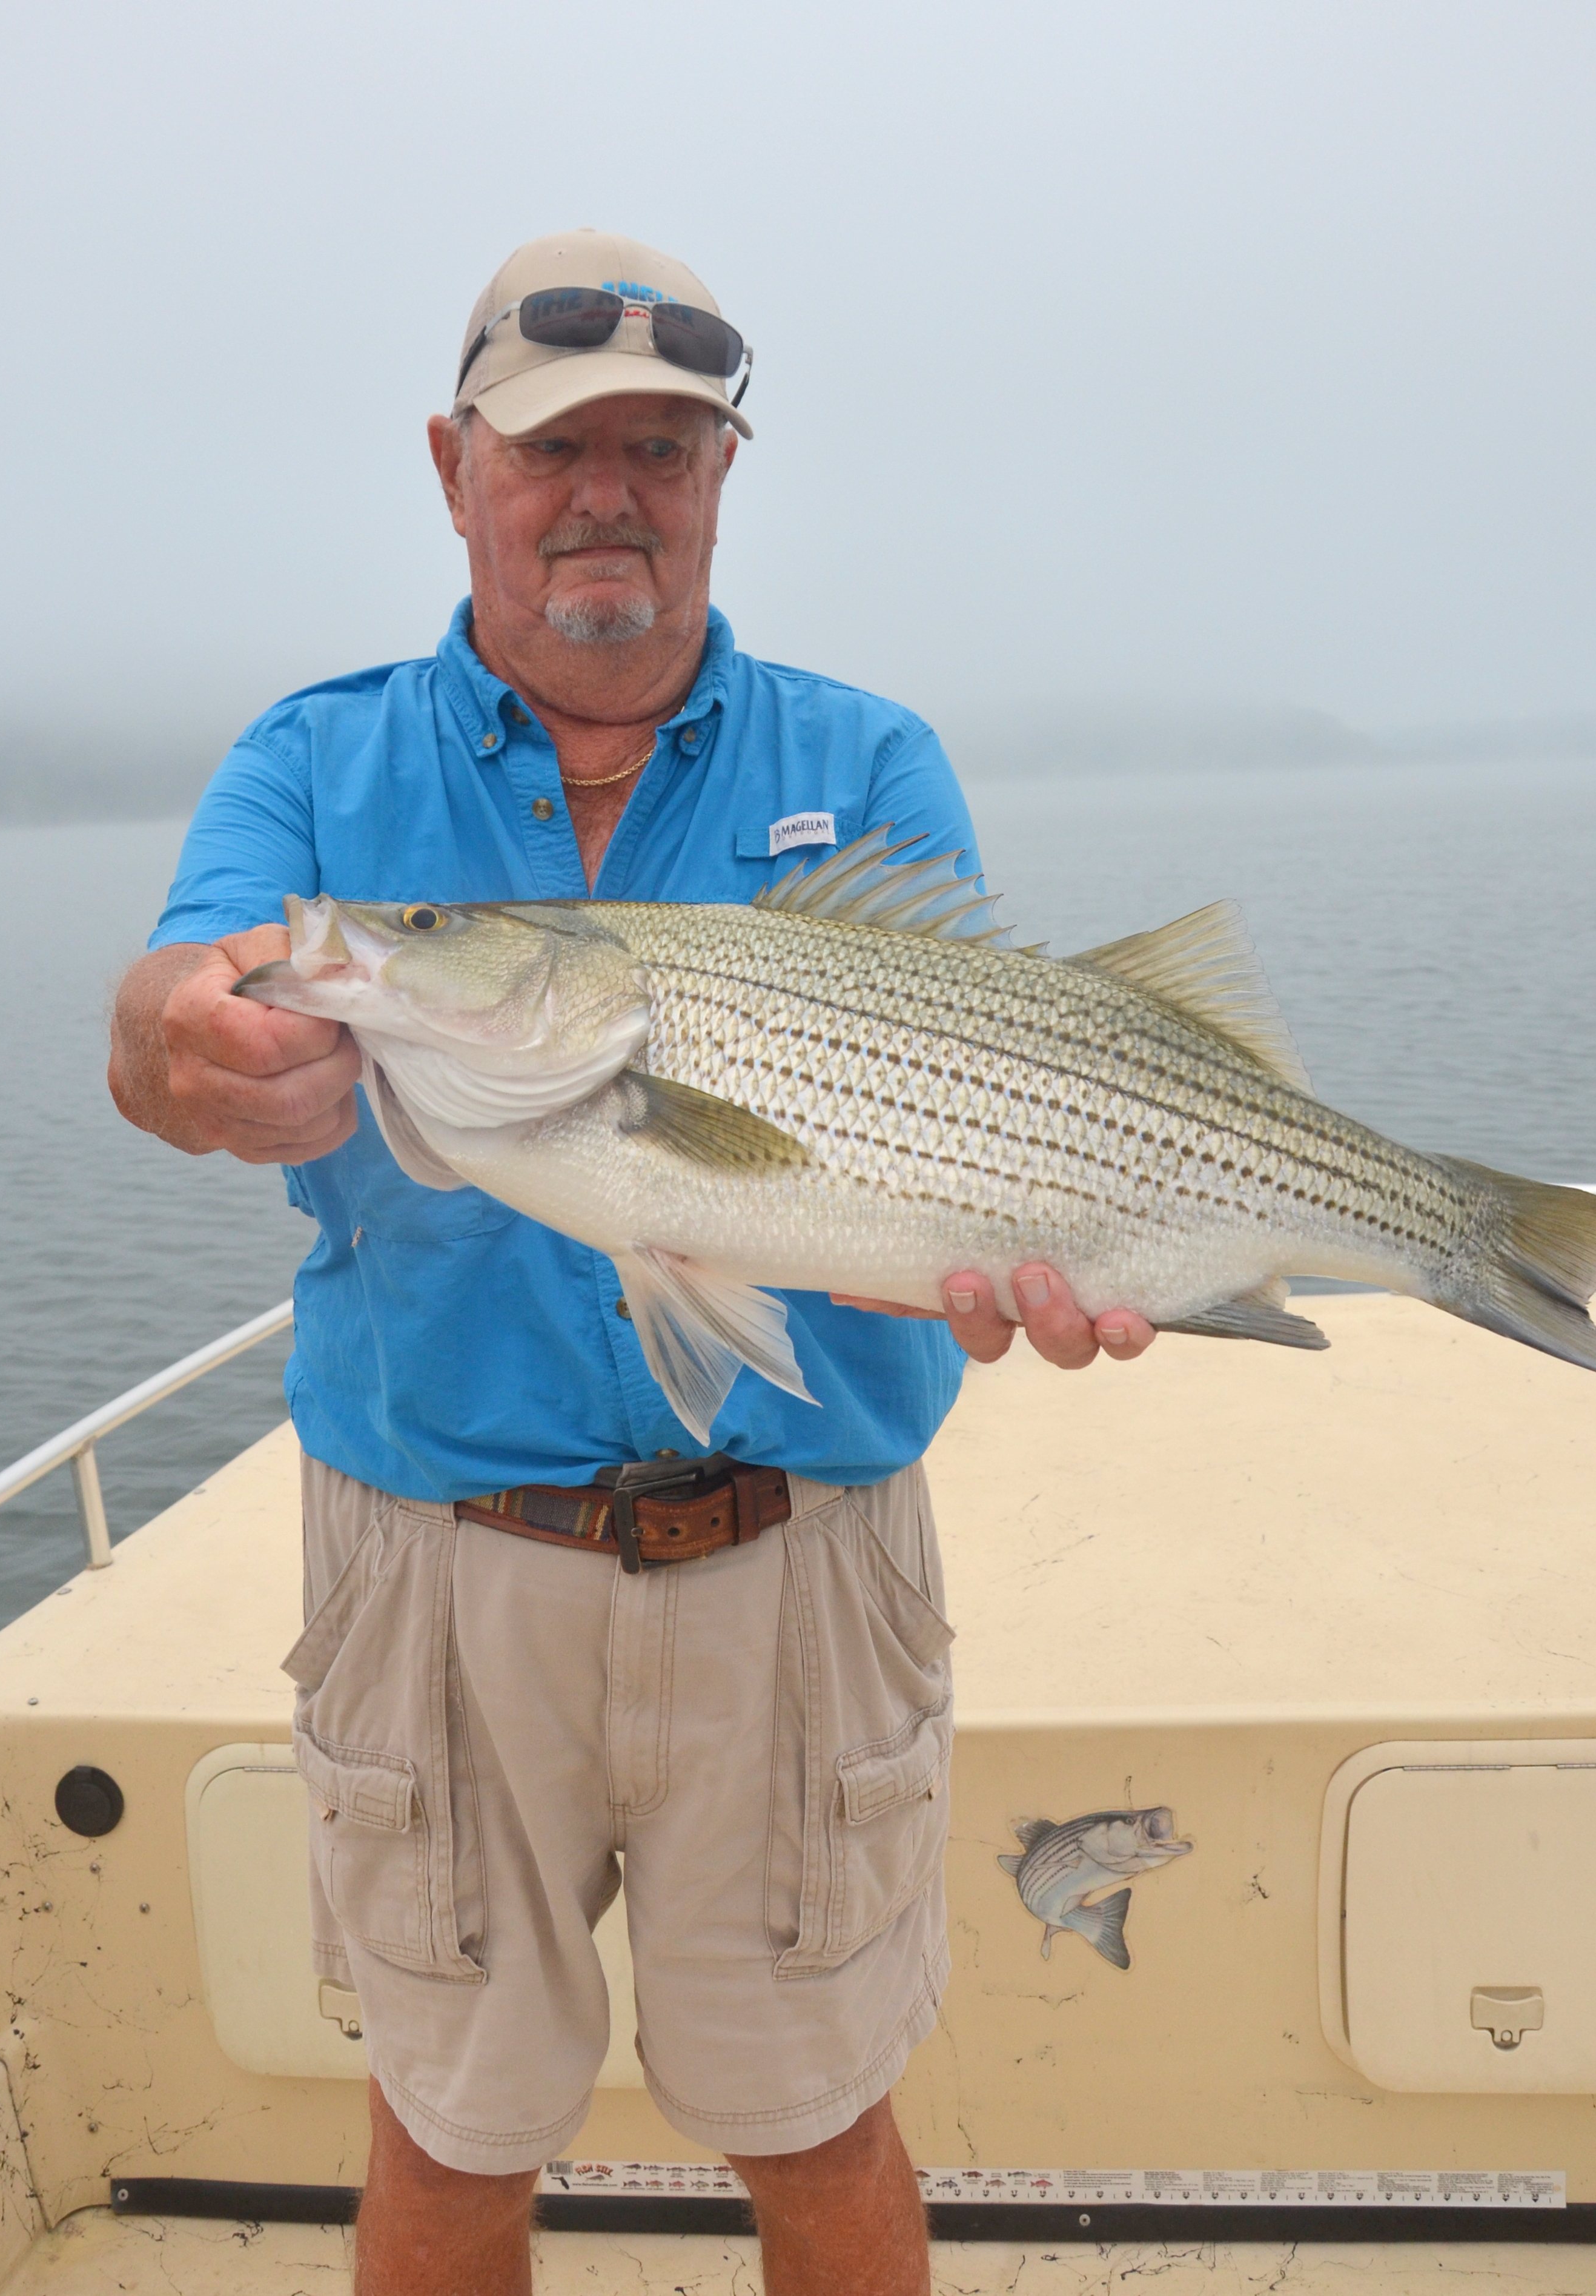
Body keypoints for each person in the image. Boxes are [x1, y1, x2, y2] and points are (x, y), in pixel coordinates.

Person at [110, 229, 1154, 2296]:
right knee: (445, 2125)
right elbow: (174, 1006)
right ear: (451, 468)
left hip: (793, 1549)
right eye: (552, 444)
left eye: (661, 451)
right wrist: (208, 1047)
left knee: (819, 2120)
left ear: (719, 481)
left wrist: (1017, 1246)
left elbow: (951, 1106)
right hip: (437, 1551)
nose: (607, 491)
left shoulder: (858, 761)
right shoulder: (317, 762)